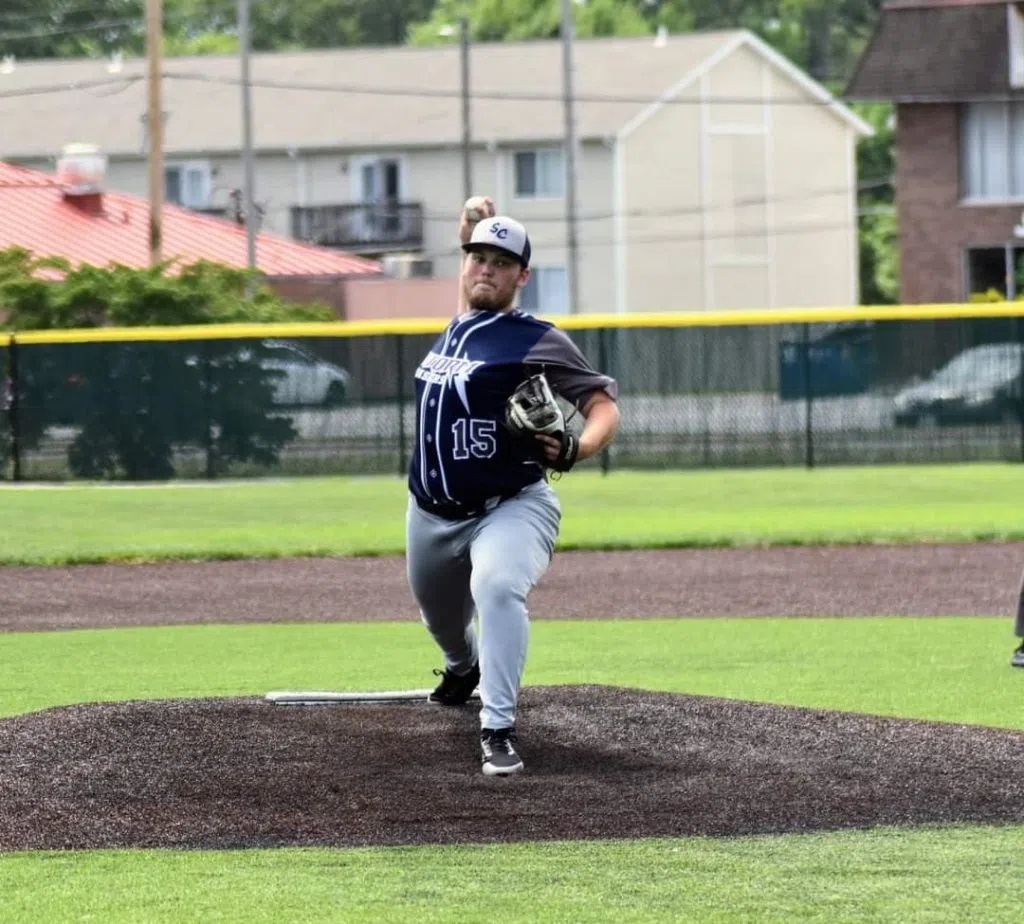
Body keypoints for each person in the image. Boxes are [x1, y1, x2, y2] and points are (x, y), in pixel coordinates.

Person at [405, 195, 620, 776]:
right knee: (440, 619)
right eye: (478, 258)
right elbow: (471, 290)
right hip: (429, 511)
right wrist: (467, 227)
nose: (486, 269)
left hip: (510, 506)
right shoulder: (460, 325)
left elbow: (603, 404)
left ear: (522, 277)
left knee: (497, 588)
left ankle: (497, 726)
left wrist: (579, 446)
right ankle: (462, 667)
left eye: (501, 263)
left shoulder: (534, 338)